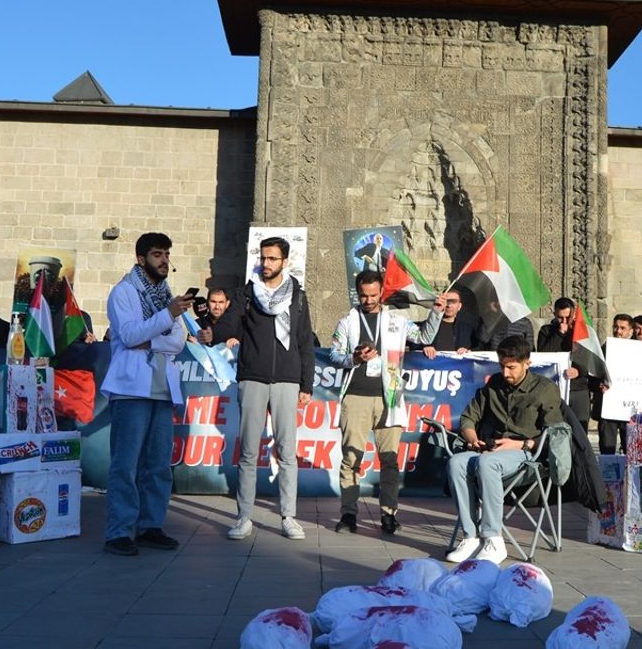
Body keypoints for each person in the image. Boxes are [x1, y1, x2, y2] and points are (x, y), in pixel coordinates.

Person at [201, 236, 316, 541]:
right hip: (252, 377)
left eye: (272, 259)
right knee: (249, 451)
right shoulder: (247, 293)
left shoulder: (298, 297)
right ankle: (244, 517)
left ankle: (289, 516)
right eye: (263, 258)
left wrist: (307, 383)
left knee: (287, 452)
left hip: (287, 380)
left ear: (285, 262)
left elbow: (305, 342)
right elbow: (227, 325)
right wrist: (211, 333)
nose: (266, 264)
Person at [99, 232, 192, 556]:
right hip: (132, 388)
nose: (164, 260)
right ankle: (119, 531)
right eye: (157, 254)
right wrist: (165, 317)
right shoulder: (124, 292)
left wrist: (150, 339)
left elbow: (177, 342)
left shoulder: (165, 294)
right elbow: (128, 335)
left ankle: (151, 525)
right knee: (126, 463)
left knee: (157, 464)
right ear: (141, 259)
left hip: (162, 387)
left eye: (166, 253)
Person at [331, 270, 440, 534]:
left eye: (373, 295)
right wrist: (355, 359)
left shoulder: (397, 321)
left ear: (381, 293)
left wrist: (436, 313)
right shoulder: (348, 321)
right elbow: (334, 355)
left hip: (389, 397)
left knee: (389, 459)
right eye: (363, 295)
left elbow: (424, 337)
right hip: (356, 397)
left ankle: (389, 515)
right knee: (351, 459)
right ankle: (348, 515)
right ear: (357, 292)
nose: (368, 300)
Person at [445, 335, 563, 564]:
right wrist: (471, 437)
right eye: (502, 366)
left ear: (527, 363)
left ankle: (493, 539)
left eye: (512, 367)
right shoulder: (494, 384)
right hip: (490, 451)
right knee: (456, 462)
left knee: (487, 463)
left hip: (528, 456)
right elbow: (469, 417)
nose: (506, 373)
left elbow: (556, 434)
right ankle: (471, 537)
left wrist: (522, 443)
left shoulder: (545, 389)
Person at [536, 298, 591, 431]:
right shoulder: (546, 331)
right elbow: (544, 355)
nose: (564, 322)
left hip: (578, 389)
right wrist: (559, 334)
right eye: (560, 318)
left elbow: (588, 357)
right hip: (554, 389)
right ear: (554, 314)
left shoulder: (582, 331)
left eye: (568, 317)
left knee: (580, 430)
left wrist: (579, 371)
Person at [592, 314, 634, 455]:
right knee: (607, 449)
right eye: (616, 327)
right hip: (608, 409)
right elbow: (593, 375)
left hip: (629, 410)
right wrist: (599, 385)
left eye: (623, 328)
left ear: (630, 331)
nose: (618, 331)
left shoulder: (639, 352)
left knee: (630, 450)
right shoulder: (603, 350)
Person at [418, 289, 474, 356]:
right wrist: (424, 348)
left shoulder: (468, 330)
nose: (449, 305)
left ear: (459, 306)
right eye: (446, 301)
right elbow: (413, 343)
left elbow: (479, 349)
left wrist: (468, 351)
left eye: (453, 302)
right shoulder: (426, 326)